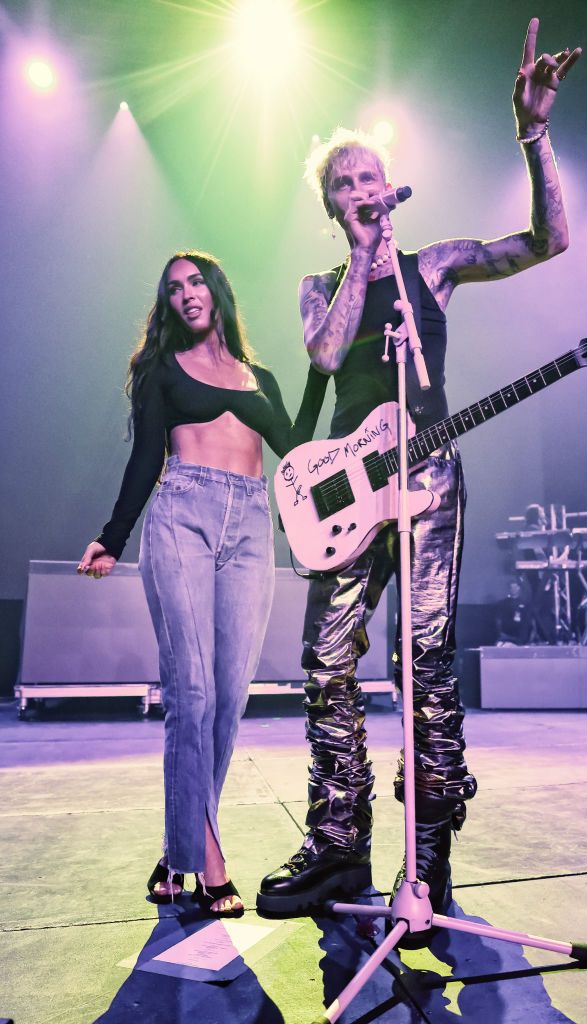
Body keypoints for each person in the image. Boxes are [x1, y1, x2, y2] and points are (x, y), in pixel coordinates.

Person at [257, 17, 581, 924]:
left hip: (430, 476)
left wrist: (533, 133)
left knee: (427, 662)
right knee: (325, 663)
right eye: (343, 181)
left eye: (370, 176)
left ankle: (428, 854)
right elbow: (323, 360)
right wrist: (361, 257)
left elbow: (545, 241)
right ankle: (335, 842)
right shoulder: (322, 287)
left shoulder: (431, 269)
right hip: (351, 495)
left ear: (389, 188)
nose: (361, 187)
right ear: (330, 203)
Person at [78, 251, 310, 917]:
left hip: (251, 524)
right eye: (174, 288)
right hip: (183, 514)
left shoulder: (259, 375)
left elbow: (294, 457)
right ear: (168, 303)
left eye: (196, 281)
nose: (187, 294)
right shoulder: (161, 369)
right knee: (193, 693)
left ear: (217, 291)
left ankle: (177, 848)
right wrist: (113, 535)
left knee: (230, 697)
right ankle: (209, 862)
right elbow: (145, 455)